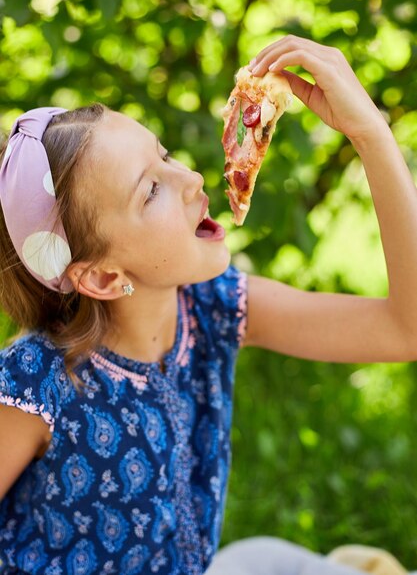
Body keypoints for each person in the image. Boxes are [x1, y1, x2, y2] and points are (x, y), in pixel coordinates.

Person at [0, 35, 416, 575]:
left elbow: (404, 330)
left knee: (263, 557)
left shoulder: (211, 309)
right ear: (102, 275)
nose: (193, 178)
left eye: (165, 155)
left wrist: (370, 134)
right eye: (150, 190)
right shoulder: (34, 384)